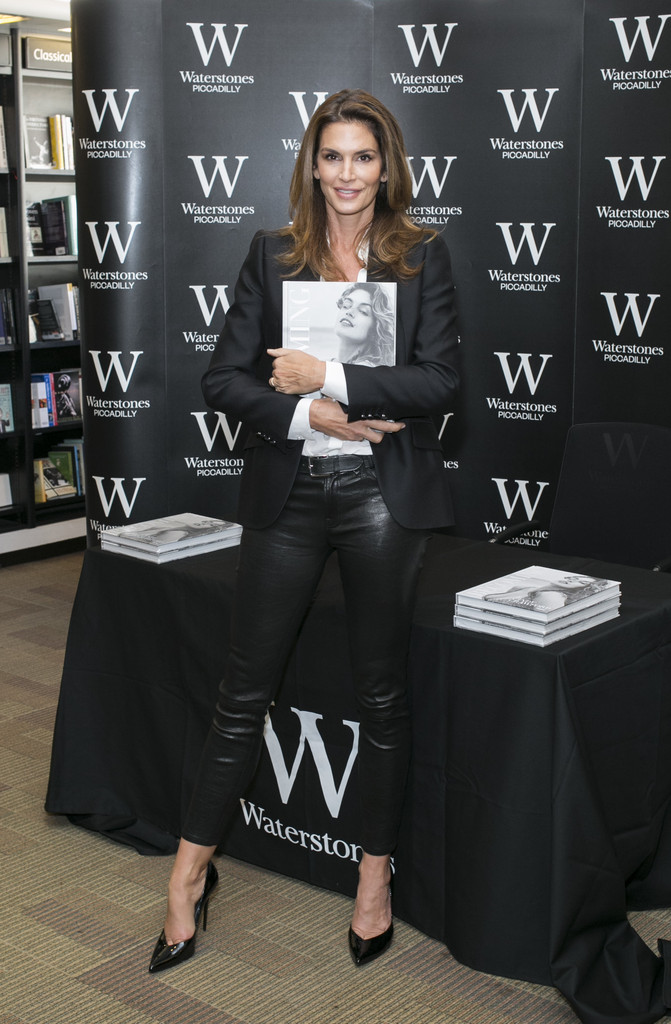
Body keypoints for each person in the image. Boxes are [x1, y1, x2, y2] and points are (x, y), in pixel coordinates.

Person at [148, 88, 459, 974]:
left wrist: (332, 375)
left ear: (385, 166)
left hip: (380, 499)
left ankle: (372, 881)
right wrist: (308, 418)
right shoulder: (271, 255)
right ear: (311, 164)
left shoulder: (421, 258)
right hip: (290, 493)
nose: (348, 174)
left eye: (364, 156)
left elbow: (439, 382)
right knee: (241, 695)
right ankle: (186, 877)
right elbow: (224, 380)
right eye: (333, 156)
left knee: (382, 699)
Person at [334, 281, 395, 366]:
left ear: (375, 329)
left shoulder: (367, 370)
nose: (349, 312)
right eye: (346, 306)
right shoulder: (332, 364)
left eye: (363, 311)